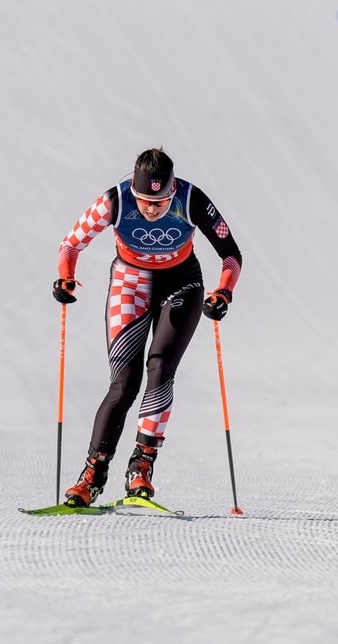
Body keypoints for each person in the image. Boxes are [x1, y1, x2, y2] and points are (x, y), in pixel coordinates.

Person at [53, 148, 242, 506]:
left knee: (161, 369)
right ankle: (92, 475)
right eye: (145, 200)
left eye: (161, 201)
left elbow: (231, 253)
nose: (152, 209)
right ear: (134, 191)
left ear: (172, 191)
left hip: (182, 284)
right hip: (130, 283)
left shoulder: (191, 198)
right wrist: (65, 277)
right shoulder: (115, 200)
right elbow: (71, 244)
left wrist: (224, 292)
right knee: (124, 385)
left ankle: (141, 466)